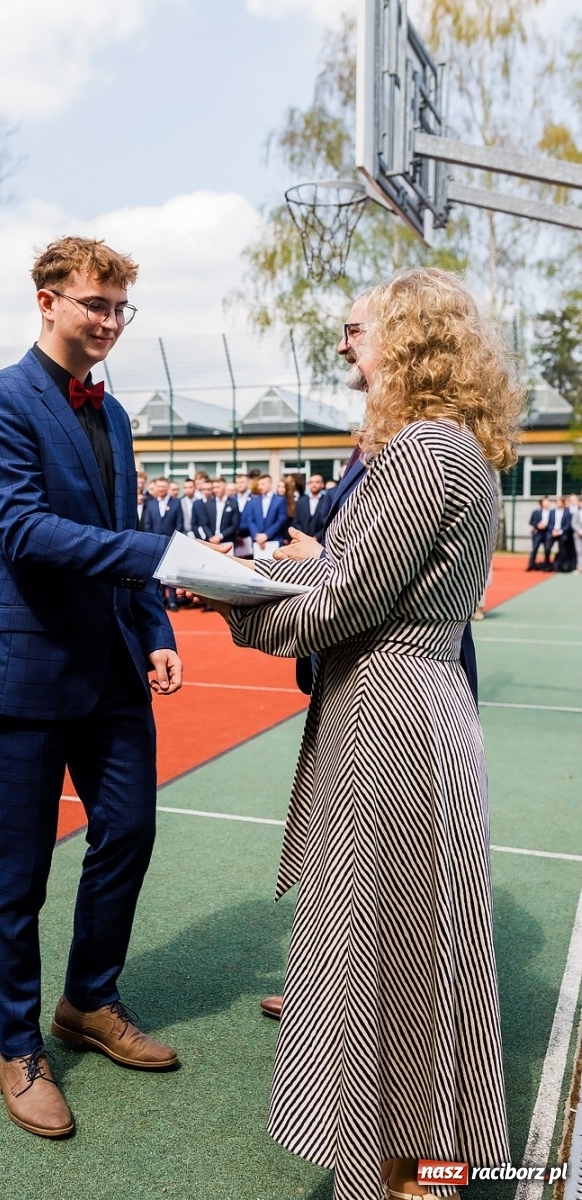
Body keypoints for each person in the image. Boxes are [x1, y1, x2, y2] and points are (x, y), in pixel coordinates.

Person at [213, 269, 520, 1200]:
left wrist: (232, 599)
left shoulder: (424, 453)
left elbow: (341, 600)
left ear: (411, 337)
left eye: (362, 329)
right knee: (406, 955)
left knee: (390, 956)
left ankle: (410, 1175)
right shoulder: (444, 446)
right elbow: (347, 577)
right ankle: (419, 1169)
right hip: (400, 709)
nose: (346, 343)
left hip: (393, 724)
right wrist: (269, 572)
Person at [0, 235, 184, 1140]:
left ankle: (89, 1000)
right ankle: (18, 1046)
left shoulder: (115, 417)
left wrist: (155, 625)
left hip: (112, 667)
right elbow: (23, 532)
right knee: (15, 875)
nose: (110, 322)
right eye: (95, 304)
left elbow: (126, 526)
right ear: (46, 300)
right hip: (19, 672)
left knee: (129, 830)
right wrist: (162, 557)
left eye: (122, 308)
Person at [142, 476, 184, 609]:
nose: (161, 489)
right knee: (157, 573)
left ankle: (172, 600)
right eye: (159, 486)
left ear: (167, 488)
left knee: (170, 573)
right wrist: (153, 541)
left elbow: (179, 523)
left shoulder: (176, 503)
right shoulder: (150, 504)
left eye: (163, 486)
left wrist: (173, 540)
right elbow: (147, 524)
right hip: (155, 544)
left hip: (172, 543)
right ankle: (161, 599)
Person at [245, 474, 288, 554]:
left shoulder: (280, 500)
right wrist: (256, 536)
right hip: (258, 542)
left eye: (263, 484)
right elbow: (250, 520)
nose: (260, 487)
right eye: (259, 484)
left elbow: (281, 519)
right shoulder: (253, 501)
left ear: (270, 484)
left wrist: (267, 535)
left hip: (275, 540)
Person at [527, 497, 551, 571]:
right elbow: (531, 521)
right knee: (534, 548)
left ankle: (547, 565)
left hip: (547, 532)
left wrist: (546, 525)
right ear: (541, 503)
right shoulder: (536, 512)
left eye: (548, 502)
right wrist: (538, 525)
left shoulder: (551, 512)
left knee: (547, 549)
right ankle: (531, 565)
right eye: (545, 502)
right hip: (538, 533)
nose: (546, 503)